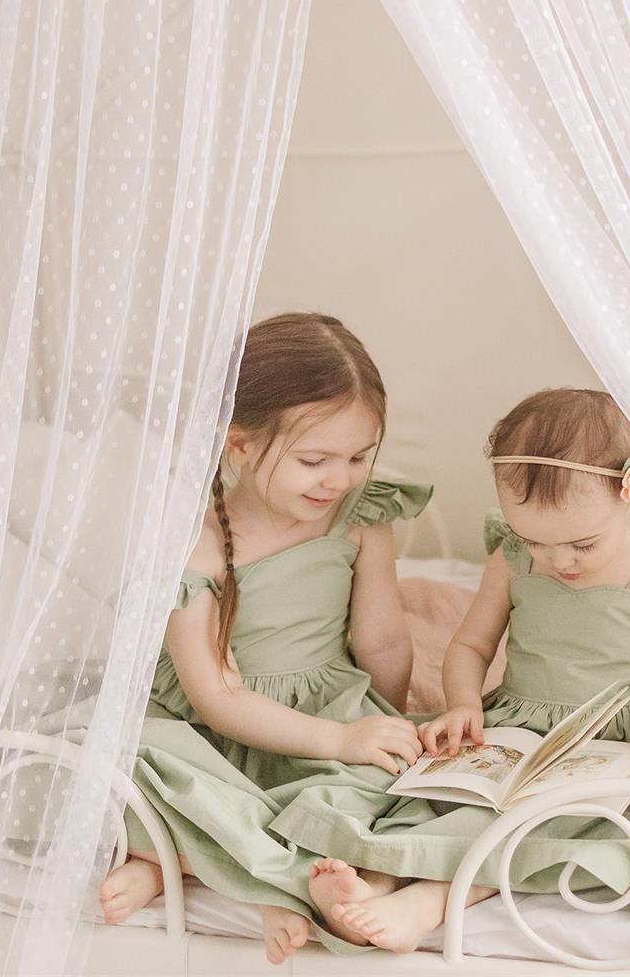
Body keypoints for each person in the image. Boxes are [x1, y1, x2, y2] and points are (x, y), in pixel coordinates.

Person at [275, 388, 630, 953]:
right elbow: (469, 648)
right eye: (537, 540)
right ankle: (371, 880)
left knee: (551, 824)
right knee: (434, 794)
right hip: (518, 727)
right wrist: (463, 703)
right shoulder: (512, 559)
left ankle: (425, 902)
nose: (558, 562)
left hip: (621, 738)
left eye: (582, 544)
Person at [98, 312, 429, 963]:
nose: (339, 479)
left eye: (359, 457)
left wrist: (381, 728)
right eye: (315, 460)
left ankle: (188, 866)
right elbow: (216, 697)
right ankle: (229, 874)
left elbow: (384, 643)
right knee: (150, 778)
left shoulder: (362, 517)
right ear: (240, 446)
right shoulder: (195, 537)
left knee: (394, 797)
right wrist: (337, 740)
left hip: (326, 709)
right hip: (213, 728)